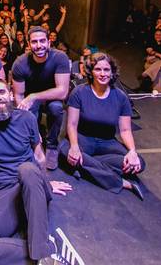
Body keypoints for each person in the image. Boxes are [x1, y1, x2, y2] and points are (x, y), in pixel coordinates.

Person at [0, 78, 72, 265]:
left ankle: (41, 249)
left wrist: (46, 183)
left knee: (26, 169)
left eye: (1, 92)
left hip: (31, 182)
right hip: (3, 190)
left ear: (10, 94)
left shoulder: (27, 118)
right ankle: (46, 251)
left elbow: (39, 156)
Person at [59, 52, 145, 199]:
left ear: (112, 72)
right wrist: (74, 146)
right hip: (82, 139)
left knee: (138, 164)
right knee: (65, 151)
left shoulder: (120, 97)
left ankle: (88, 165)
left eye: (106, 70)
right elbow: (72, 125)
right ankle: (123, 183)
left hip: (107, 142)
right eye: (98, 69)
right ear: (91, 72)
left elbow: (125, 130)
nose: (103, 74)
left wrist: (132, 151)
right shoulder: (79, 92)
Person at [11, 26, 71, 170]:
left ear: (49, 42)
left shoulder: (60, 57)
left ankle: (51, 145)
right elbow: (19, 95)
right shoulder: (20, 63)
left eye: (42, 41)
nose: (39, 45)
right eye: (34, 42)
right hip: (30, 99)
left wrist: (34, 96)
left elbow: (63, 92)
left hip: (52, 96)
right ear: (29, 44)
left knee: (56, 108)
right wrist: (26, 117)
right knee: (29, 115)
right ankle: (34, 142)